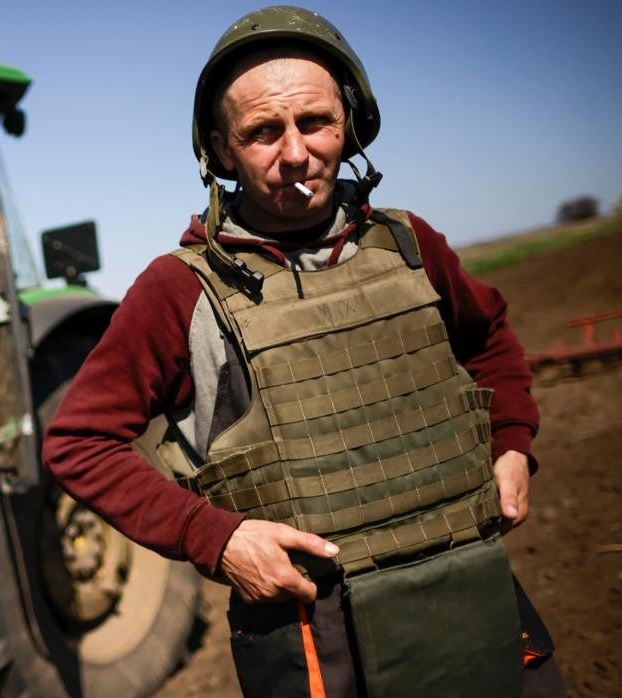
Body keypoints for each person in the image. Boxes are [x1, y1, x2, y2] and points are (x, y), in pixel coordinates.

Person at [41, 6, 566, 697]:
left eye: (314, 122)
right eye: (263, 132)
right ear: (222, 150)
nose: (295, 154)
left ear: (348, 123)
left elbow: (491, 337)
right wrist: (218, 540)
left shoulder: (410, 246)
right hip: (315, 640)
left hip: (470, 594)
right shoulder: (179, 291)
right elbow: (78, 441)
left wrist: (511, 441)